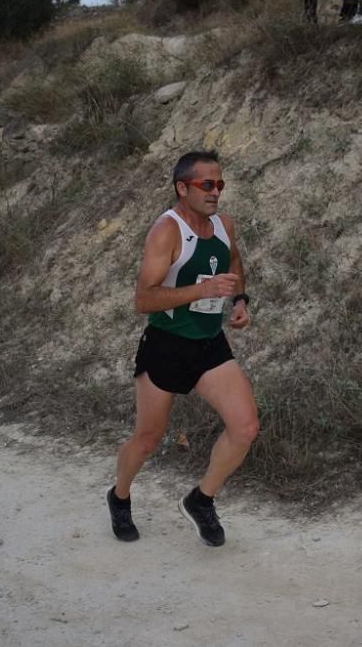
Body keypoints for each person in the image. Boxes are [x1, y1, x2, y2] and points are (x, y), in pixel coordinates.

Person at [107, 150, 258, 548]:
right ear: (182, 188)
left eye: (220, 184)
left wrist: (239, 300)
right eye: (206, 185)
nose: (216, 192)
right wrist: (202, 290)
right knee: (147, 439)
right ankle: (119, 496)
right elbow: (144, 299)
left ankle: (201, 499)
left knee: (245, 428)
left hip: (210, 346)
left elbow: (234, 260)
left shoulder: (225, 226)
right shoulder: (167, 231)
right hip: (166, 346)